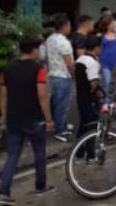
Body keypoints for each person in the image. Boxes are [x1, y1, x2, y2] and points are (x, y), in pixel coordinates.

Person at [0, 37, 55, 205]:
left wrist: (3, 116)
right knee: (39, 152)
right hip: (34, 118)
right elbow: (42, 96)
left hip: (13, 118)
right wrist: (48, 119)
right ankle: (40, 186)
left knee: (12, 156)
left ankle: (3, 193)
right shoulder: (39, 69)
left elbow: (3, 95)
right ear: (34, 50)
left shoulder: (7, 69)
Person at [45, 13, 74, 142]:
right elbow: (69, 63)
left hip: (52, 75)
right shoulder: (64, 42)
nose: (70, 27)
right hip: (63, 76)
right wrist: (74, 76)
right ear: (64, 26)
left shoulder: (50, 39)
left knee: (54, 103)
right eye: (69, 25)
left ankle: (60, 125)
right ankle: (60, 131)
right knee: (62, 105)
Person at [74, 35, 102, 162]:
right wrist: (95, 92)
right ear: (96, 48)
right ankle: (91, 154)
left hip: (80, 97)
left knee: (83, 124)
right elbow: (93, 83)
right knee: (91, 126)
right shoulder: (92, 63)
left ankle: (79, 151)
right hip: (89, 98)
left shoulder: (80, 59)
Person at [98, 15, 116, 97]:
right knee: (107, 81)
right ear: (107, 24)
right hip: (104, 62)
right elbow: (98, 49)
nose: (114, 25)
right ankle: (105, 100)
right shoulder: (100, 36)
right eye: (112, 23)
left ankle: (113, 100)